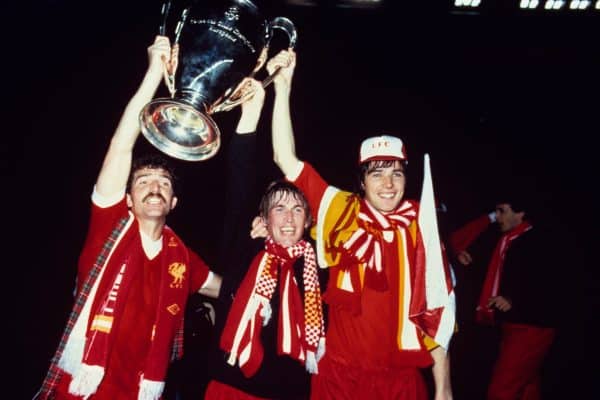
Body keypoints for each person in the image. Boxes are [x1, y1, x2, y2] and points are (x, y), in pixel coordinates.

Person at [33, 36, 223, 400]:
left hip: (140, 391)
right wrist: (153, 75)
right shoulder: (109, 227)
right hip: (82, 389)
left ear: (174, 202)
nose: (155, 187)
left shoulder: (182, 257)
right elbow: (121, 145)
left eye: (164, 183)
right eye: (144, 182)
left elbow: (225, 289)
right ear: (128, 200)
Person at [264, 49, 455, 400]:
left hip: (400, 376)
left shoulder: (421, 226)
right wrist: (284, 88)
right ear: (362, 181)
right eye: (377, 174)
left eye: (396, 173)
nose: (388, 184)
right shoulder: (340, 208)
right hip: (339, 375)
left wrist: (443, 387)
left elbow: (438, 313)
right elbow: (284, 158)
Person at [200, 77, 326, 400]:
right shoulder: (246, 247)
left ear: (309, 221)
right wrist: (251, 114)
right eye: (279, 209)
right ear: (264, 219)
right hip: (230, 389)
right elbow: (240, 181)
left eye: (297, 210)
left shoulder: (316, 266)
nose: (288, 218)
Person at [448, 196, 558, 400]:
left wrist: (512, 299)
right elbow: (455, 240)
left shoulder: (539, 241)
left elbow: (550, 285)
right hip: (510, 326)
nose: (497, 217)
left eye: (501, 211)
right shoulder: (502, 240)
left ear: (520, 213)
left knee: (501, 391)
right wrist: (462, 251)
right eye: (495, 212)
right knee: (526, 388)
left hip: (532, 327)